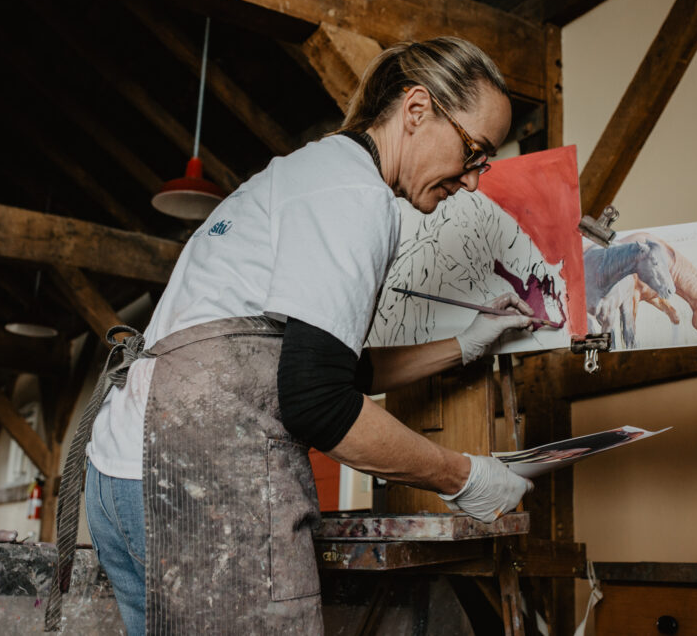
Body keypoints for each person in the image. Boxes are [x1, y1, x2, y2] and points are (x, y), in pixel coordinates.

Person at [80, 37, 535, 635]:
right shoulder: (356, 196)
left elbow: (317, 364)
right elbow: (318, 402)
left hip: (123, 473)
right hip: (195, 481)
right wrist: (462, 477)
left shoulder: (304, 174)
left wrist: (467, 343)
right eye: (473, 151)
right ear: (417, 110)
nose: (474, 181)